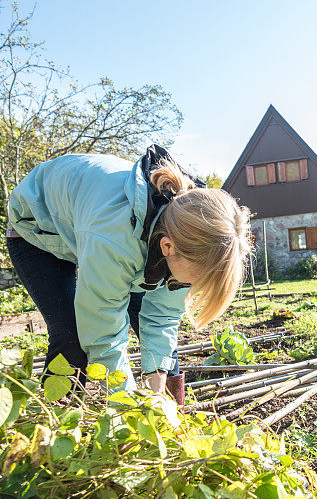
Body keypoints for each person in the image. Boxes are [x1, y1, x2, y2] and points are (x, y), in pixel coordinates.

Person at [6, 144, 252, 393]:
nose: (194, 286)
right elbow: (102, 332)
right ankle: (56, 413)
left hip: (95, 228)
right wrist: (125, 402)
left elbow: (162, 317)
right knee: (72, 334)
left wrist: (156, 396)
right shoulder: (115, 241)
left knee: (158, 341)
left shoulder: (192, 236)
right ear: (167, 247)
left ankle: (172, 412)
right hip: (37, 227)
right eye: (196, 279)